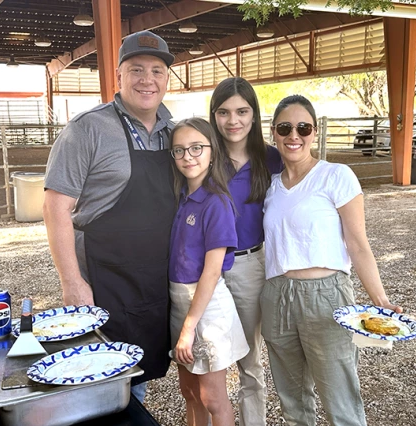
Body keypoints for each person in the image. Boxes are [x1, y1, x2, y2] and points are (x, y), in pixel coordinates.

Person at [42, 30, 176, 401]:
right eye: (136, 70)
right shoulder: (88, 129)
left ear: (167, 79)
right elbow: (56, 207)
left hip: (153, 279)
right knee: (102, 382)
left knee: (140, 374)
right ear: (118, 75)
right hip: (103, 281)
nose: (147, 80)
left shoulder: (176, 133)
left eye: (156, 71)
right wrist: (72, 282)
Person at [261, 95, 403, 426]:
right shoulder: (269, 187)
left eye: (303, 127)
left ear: (313, 132)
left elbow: (357, 243)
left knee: (340, 399)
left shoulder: (336, 176)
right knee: (293, 402)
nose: (293, 135)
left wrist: (380, 300)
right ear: (274, 133)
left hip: (326, 296)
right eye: (285, 128)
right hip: (277, 296)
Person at [209, 77, 282, 426]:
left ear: (254, 115)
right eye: (223, 112)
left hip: (250, 265)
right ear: (213, 115)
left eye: (241, 111)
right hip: (204, 270)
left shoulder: (271, 158)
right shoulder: (203, 155)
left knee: (250, 362)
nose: (232, 120)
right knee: (210, 358)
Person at [168, 117, 249, 426]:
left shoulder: (216, 202)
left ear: (212, 152)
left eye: (196, 148)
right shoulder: (180, 198)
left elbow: (211, 273)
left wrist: (189, 328)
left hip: (206, 307)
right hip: (179, 303)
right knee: (189, 391)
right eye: (179, 150)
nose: (188, 156)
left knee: (212, 397)